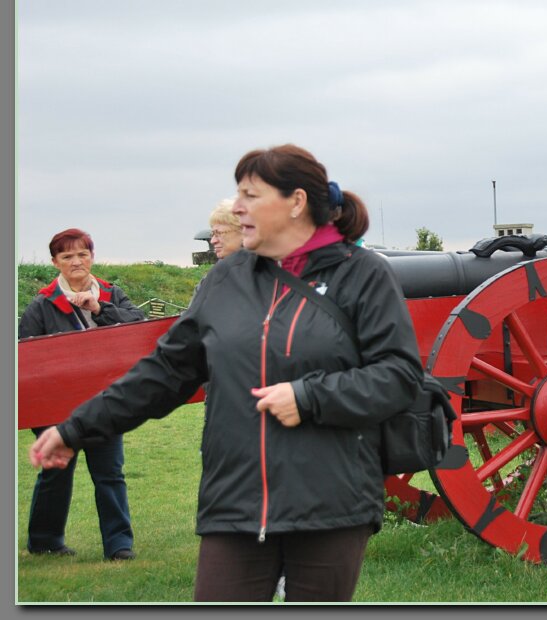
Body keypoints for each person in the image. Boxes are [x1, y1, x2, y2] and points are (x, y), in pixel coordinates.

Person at [30, 144, 424, 601]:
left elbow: (398, 375)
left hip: (331, 506)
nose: (238, 208)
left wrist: (309, 397)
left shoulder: (365, 276)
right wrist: (76, 429)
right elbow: (163, 374)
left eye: (250, 196)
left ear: (296, 203)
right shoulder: (223, 280)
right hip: (234, 503)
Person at [19, 229, 145, 561]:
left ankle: (119, 545)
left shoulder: (111, 293)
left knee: (110, 473)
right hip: (58, 410)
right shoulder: (42, 305)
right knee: (55, 472)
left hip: (106, 403)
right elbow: (28, 364)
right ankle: (44, 540)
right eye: (67, 256)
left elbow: (137, 329)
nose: (76, 261)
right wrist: (41, 422)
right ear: (55, 263)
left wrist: (100, 309)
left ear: (92, 255)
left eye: (82, 254)